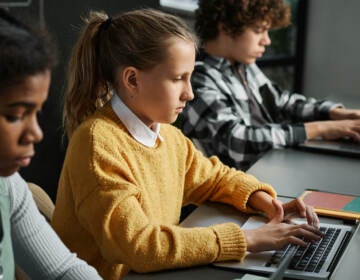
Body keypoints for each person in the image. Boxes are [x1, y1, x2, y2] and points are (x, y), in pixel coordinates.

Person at [52, 9, 321, 280]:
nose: (190, 93)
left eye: (190, 77)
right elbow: (140, 247)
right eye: (178, 78)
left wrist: (266, 202)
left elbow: (214, 178)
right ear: (132, 79)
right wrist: (247, 239)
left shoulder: (166, 134)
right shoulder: (97, 144)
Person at [181, 0, 360, 171]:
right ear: (225, 27)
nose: (267, 41)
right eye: (259, 30)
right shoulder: (199, 79)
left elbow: (282, 102)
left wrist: (335, 113)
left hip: (271, 167)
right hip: (240, 188)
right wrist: (322, 128)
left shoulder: (243, 66)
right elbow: (238, 141)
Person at [0, 9, 102, 279]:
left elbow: (62, 270)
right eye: (15, 115)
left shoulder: (8, 186)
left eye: (37, 113)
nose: (35, 133)